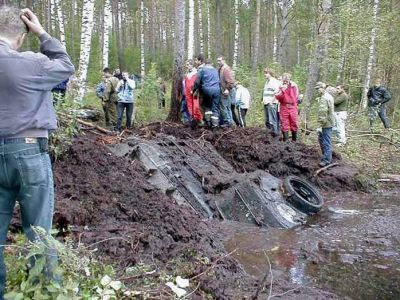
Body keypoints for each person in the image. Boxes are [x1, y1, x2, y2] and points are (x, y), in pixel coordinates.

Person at [0, 6, 75, 298]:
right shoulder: (31, 63)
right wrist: (42, 32)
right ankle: (42, 290)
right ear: (21, 36)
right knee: (38, 230)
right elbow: (65, 65)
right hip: (29, 152)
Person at [193, 58, 221, 128]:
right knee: (215, 108)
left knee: (207, 106)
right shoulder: (216, 70)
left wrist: (194, 90)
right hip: (217, 90)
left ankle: (208, 122)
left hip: (207, 90)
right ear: (212, 64)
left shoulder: (202, 70)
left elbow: (197, 82)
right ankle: (215, 125)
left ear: (205, 64)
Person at [315, 82, 335, 167]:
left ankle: (327, 160)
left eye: (318, 89)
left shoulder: (324, 98)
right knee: (323, 139)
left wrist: (320, 125)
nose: (318, 90)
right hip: (328, 122)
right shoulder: (329, 96)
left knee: (326, 141)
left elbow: (323, 112)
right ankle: (326, 156)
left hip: (326, 123)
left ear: (323, 88)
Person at [275, 73, 299, 141]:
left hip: (293, 106)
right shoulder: (280, 86)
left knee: (294, 122)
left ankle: (294, 141)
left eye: (287, 78)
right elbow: (278, 97)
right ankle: (286, 141)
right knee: (284, 123)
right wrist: (283, 91)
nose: (286, 80)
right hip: (284, 106)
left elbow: (295, 97)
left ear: (289, 78)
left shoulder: (294, 86)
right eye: (284, 79)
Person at [184, 60, 203, 127]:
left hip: (195, 92)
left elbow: (198, 83)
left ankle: (200, 119)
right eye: (186, 65)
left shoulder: (196, 73)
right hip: (187, 92)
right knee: (189, 106)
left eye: (188, 65)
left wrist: (195, 90)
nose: (187, 66)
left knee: (196, 106)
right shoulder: (186, 74)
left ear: (191, 65)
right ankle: (193, 119)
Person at [217, 56, 235, 127]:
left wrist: (227, 89)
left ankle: (228, 122)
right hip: (223, 89)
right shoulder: (221, 69)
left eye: (220, 60)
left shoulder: (226, 69)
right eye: (218, 61)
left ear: (223, 60)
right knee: (226, 107)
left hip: (225, 90)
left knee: (224, 106)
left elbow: (231, 81)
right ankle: (230, 122)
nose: (218, 62)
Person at [263, 69, 281, 135]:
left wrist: (272, 101)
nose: (265, 74)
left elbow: (277, 92)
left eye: (266, 73)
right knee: (267, 120)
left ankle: (275, 133)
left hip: (272, 103)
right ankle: (269, 133)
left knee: (273, 119)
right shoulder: (267, 81)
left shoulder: (274, 81)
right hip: (266, 102)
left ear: (270, 73)